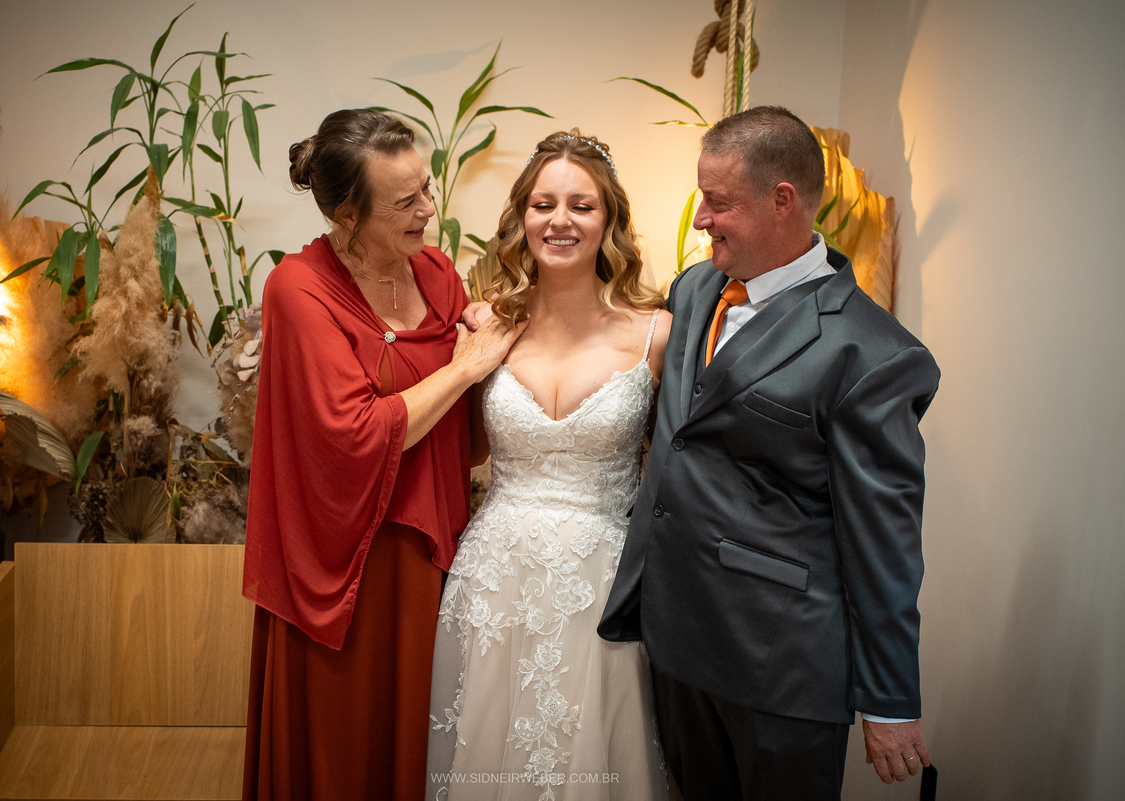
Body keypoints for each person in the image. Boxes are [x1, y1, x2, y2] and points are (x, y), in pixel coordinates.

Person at [598, 106, 941, 801]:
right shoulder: (695, 290)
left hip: (780, 667)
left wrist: (889, 700)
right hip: (677, 641)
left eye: (717, 202)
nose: (701, 219)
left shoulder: (873, 354)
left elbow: (884, 541)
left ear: (782, 200)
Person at [241, 109, 524, 801]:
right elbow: (357, 432)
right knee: (348, 744)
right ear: (347, 215)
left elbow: (473, 395)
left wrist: (490, 323)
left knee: (419, 738)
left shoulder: (435, 272)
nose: (428, 209)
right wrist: (463, 367)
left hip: (426, 554)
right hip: (348, 563)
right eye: (404, 201)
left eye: (425, 187)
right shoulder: (298, 290)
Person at [426, 131, 672, 800]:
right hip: (494, 584)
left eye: (581, 206)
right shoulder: (485, 326)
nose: (560, 220)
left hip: (603, 585)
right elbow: (461, 452)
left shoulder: (657, 334)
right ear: (522, 217)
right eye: (543, 204)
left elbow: (674, 473)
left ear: (609, 220)